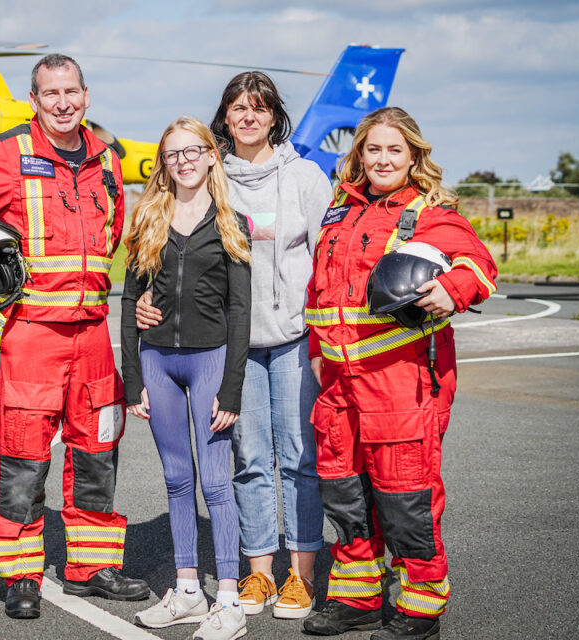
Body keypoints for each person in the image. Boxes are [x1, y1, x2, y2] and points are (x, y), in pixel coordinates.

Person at [0, 54, 149, 620]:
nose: (63, 102)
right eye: (52, 94)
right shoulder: (8, 153)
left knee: (97, 451)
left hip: (93, 334)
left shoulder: (107, 161)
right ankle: (20, 573)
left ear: (87, 96)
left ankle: (91, 566)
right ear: (35, 100)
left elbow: (115, 235)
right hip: (32, 336)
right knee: (23, 455)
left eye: (72, 91)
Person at [135, 71, 332, 620]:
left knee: (297, 458)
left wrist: (322, 335)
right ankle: (258, 572)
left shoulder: (307, 179)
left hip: (292, 338)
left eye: (259, 108)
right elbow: (178, 247)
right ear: (224, 116)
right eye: (237, 108)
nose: (248, 117)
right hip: (229, 346)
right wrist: (151, 300)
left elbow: (328, 260)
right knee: (247, 459)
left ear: (274, 116)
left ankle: (300, 575)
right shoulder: (215, 174)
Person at [301, 106, 497, 639]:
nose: (383, 159)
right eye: (374, 149)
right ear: (359, 154)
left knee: (405, 496)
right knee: (344, 493)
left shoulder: (429, 214)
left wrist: (450, 290)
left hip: (402, 382)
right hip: (339, 382)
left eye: (395, 150)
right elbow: (323, 292)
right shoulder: (339, 210)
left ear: (413, 156)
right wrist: (319, 351)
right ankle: (356, 596)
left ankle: (420, 606)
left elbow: (479, 265)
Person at [122, 116, 251, 640]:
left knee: (217, 482)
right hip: (158, 362)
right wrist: (133, 380)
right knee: (177, 479)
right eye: (173, 154)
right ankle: (188, 590)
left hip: (210, 362)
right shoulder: (148, 216)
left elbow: (240, 310)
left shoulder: (229, 220)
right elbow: (131, 300)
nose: (184, 161)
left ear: (210, 156)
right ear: (163, 163)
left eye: (193, 151)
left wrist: (234, 385)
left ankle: (229, 600)